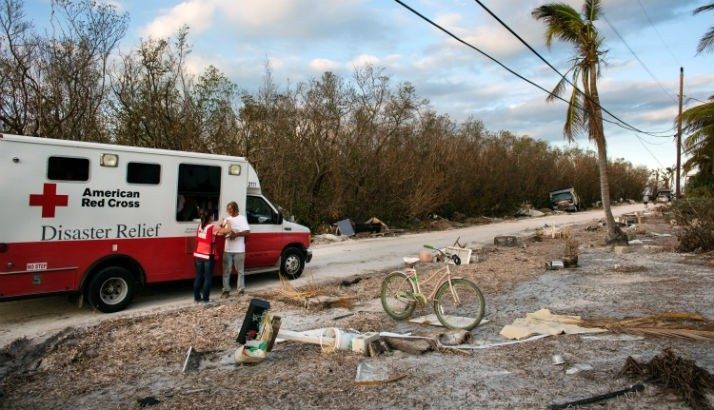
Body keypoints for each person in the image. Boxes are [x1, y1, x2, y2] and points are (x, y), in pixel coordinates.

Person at [218, 201, 250, 297]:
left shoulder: (242, 219)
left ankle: (240, 290)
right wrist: (221, 226)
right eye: (228, 210)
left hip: (239, 250)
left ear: (235, 209)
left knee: (240, 271)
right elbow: (221, 229)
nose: (229, 211)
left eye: (230, 209)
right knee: (226, 271)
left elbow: (247, 232)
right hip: (227, 249)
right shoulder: (227, 219)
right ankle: (226, 291)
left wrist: (236, 234)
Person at [193, 210, 217, 303]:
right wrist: (225, 223)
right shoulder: (212, 227)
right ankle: (206, 299)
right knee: (207, 277)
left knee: (198, 276)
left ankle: (197, 298)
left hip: (198, 254)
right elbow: (226, 231)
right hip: (208, 255)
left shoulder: (200, 226)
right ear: (211, 217)